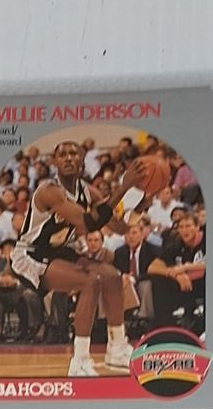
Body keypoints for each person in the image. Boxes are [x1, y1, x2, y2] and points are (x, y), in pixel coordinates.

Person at [8, 140, 143, 375]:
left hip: (62, 252)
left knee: (112, 276)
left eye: (73, 153)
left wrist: (142, 203)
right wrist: (122, 188)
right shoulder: (49, 191)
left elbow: (120, 227)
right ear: (54, 161)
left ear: (82, 159)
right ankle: (79, 361)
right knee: (90, 282)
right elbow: (87, 222)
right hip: (31, 254)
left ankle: (117, 349)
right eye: (62, 154)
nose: (69, 158)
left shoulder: (88, 191)